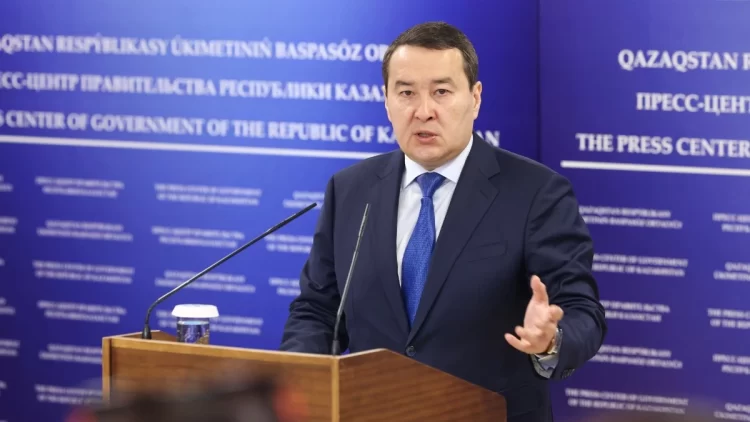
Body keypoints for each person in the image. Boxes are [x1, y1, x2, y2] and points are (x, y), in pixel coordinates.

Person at [279, 21, 607, 422]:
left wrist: (550, 339)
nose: (423, 111)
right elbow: (317, 310)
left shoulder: (536, 192)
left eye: (441, 92)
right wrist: (298, 382)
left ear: (475, 98)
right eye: (406, 93)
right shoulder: (350, 189)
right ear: (386, 101)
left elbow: (581, 310)